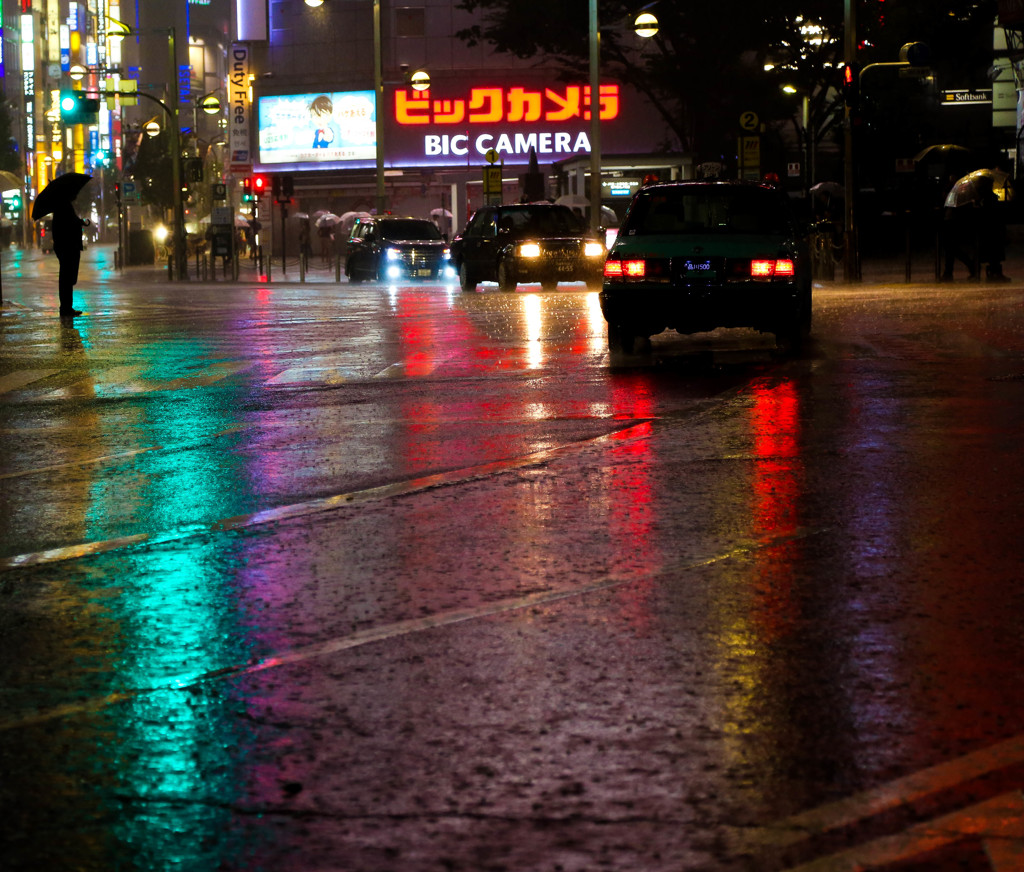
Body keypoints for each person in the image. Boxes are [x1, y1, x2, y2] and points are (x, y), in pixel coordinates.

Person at [50, 199, 89, 317]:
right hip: (68, 247)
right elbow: (69, 224)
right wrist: (80, 222)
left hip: (65, 247)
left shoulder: (61, 207)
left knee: (67, 278)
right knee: (67, 278)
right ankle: (66, 308)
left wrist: (80, 222)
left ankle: (66, 307)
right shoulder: (64, 206)